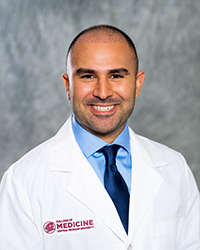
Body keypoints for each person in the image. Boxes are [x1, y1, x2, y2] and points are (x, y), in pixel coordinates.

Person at [0, 25, 199, 250]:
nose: (103, 93)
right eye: (87, 76)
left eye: (116, 75)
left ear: (137, 83)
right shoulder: (23, 182)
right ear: (68, 86)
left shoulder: (174, 167)